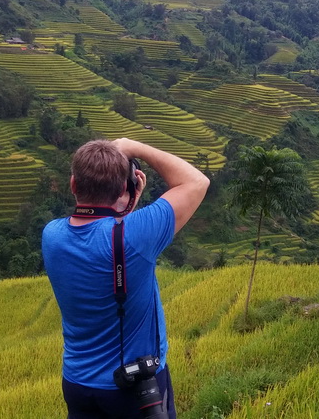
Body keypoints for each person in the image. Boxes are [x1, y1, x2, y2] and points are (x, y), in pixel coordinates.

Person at [42, 138, 210, 418]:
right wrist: (133, 147)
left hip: (78, 385)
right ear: (123, 188)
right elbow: (196, 182)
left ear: (73, 185)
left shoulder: (52, 235)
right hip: (134, 387)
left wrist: (126, 204)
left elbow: (105, 233)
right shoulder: (135, 237)